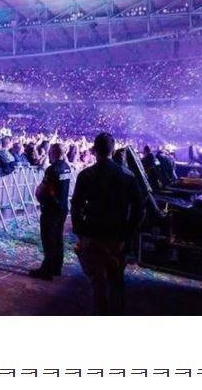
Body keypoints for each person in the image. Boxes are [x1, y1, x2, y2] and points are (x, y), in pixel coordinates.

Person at [71, 133, 145, 315]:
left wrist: (81, 234)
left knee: (97, 283)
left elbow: (76, 207)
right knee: (116, 281)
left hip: (92, 236)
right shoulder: (128, 176)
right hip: (117, 237)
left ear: (94, 150)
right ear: (113, 150)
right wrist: (127, 235)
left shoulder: (86, 175)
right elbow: (139, 209)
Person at [30, 143, 72, 280]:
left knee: (48, 239)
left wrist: (39, 194)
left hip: (51, 208)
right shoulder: (66, 167)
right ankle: (57, 267)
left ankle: (47, 270)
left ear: (53, 153)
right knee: (58, 237)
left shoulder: (52, 169)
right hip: (63, 207)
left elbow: (45, 188)